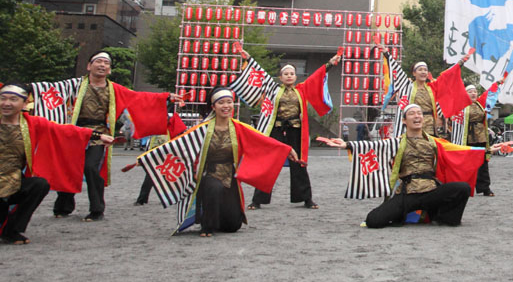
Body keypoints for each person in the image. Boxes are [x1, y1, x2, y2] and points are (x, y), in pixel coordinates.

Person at [28, 52, 182, 221]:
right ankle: (64, 205)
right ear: (89, 66)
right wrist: (25, 89)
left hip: (100, 134)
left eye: (106, 63)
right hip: (75, 132)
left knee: (92, 168)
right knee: (69, 166)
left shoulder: (114, 89)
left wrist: (166, 96)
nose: (102, 65)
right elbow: (50, 89)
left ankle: (97, 209)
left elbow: (138, 97)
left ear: (109, 70)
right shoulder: (75, 85)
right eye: (98, 62)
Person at [138, 86, 296, 237]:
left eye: (229, 102)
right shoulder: (202, 129)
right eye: (221, 103)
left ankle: (216, 216)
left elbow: (262, 141)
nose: (226, 106)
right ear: (213, 106)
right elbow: (178, 146)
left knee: (232, 226)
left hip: (230, 175)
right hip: (208, 173)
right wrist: (144, 160)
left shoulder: (239, 127)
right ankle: (207, 222)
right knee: (213, 187)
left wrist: (286, 149)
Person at [323, 104, 491, 227]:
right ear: (404, 120)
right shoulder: (397, 142)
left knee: (462, 188)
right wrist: (347, 145)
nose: (417, 116)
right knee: (373, 221)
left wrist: (485, 150)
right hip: (408, 193)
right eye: (412, 113)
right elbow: (374, 147)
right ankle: (404, 214)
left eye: (419, 113)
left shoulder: (434, 142)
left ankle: (444, 217)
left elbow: (460, 150)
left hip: (431, 190)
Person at [0, 83, 113, 244]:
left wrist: (97, 135)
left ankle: (12, 230)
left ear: (25, 104)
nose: (7, 103)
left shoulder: (32, 124)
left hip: (12, 182)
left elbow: (63, 130)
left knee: (39, 185)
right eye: (3, 98)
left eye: (13, 99)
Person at [233, 48, 337, 210]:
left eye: (292, 73)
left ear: (295, 77)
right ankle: (257, 200)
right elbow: (260, 73)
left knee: (299, 163)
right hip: (277, 130)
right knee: (268, 163)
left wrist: (330, 63)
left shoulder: (301, 89)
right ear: (280, 77)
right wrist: (248, 58)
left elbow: (317, 76)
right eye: (286, 73)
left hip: (295, 130)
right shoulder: (273, 89)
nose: (289, 76)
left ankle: (306, 198)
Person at [450, 82, 503, 196]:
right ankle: (465, 187)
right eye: (470, 92)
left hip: (481, 136)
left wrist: (497, 83)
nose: (473, 93)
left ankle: (485, 188)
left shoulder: (480, 104)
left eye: (474, 91)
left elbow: (488, 93)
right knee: (467, 163)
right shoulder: (461, 105)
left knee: (483, 163)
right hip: (467, 136)